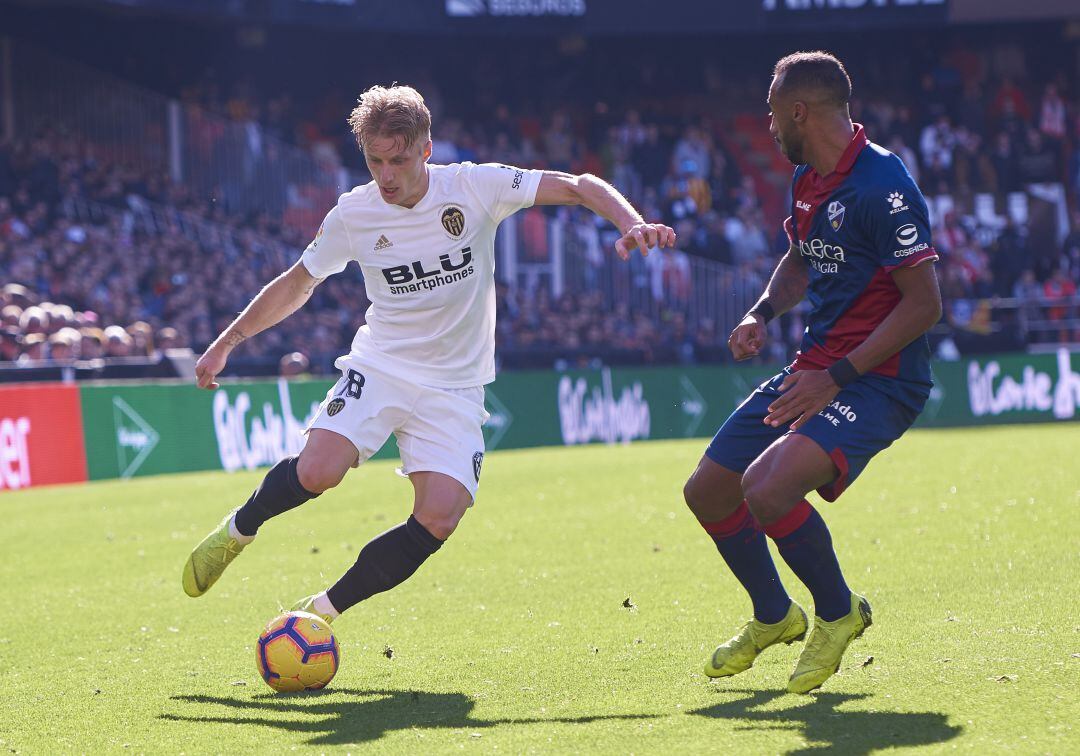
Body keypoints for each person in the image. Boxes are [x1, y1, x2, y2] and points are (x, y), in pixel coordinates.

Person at [182, 84, 675, 624]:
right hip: (382, 365)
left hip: (455, 386)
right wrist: (228, 341)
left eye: (397, 160)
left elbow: (579, 186)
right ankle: (238, 530)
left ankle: (318, 614)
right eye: (374, 161)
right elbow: (299, 282)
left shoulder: (475, 186)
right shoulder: (355, 213)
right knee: (318, 471)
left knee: (439, 517)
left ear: (426, 149)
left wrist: (631, 223)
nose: (386, 175)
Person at [682, 52, 941, 694]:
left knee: (767, 489)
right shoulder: (807, 177)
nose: (767, 126)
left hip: (881, 380)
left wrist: (839, 376)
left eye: (772, 112)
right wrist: (762, 312)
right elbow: (800, 259)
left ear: (799, 110)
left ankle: (837, 612)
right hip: (816, 367)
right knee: (709, 491)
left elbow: (926, 303)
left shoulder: (882, 185)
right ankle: (775, 616)